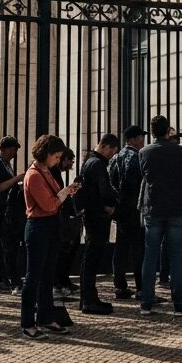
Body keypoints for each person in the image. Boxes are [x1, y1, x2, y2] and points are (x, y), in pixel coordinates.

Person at [22, 134, 81, 339]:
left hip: (50, 225)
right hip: (39, 226)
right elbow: (49, 204)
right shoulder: (34, 174)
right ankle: (28, 322)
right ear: (46, 154)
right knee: (34, 277)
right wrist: (64, 193)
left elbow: (55, 199)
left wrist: (66, 192)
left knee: (47, 276)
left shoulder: (46, 171)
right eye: (56, 156)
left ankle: (46, 317)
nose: (58, 161)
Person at [137, 116, 182, 317]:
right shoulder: (179, 151)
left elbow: (144, 175)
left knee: (150, 257)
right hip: (176, 206)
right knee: (176, 256)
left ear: (151, 132)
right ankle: (178, 303)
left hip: (154, 206)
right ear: (168, 130)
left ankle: (146, 303)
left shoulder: (144, 152)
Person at [79, 134, 120, 314]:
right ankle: (89, 300)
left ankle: (87, 298)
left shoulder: (89, 161)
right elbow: (104, 190)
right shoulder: (98, 164)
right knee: (92, 258)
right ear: (107, 147)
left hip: (92, 214)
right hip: (97, 216)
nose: (112, 156)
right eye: (112, 152)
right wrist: (114, 200)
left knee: (90, 258)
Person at [109, 125, 147, 299]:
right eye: (140, 137)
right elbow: (137, 184)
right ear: (132, 139)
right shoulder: (137, 157)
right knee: (138, 248)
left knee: (121, 247)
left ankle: (119, 285)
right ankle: (141, 287)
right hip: (134, 208)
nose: (143, 140)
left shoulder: (116, 158)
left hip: (119, 208)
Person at [0, 136, 25, 292]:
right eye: (13, 149)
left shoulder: (5, 164)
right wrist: (16, 179)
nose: (15, 152)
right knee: (6, 244)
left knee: (1, 245)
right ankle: (8, 279)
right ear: (5, 148)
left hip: (6, 209)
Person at [52, 148, 83, 300]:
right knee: (61, 251)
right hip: (56, 216)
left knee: (65, 249)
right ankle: (58, 283)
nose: (71, 164)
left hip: (60, 215)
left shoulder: (55, 173)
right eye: (70, 160)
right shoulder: (53, 172)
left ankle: (62, 281)